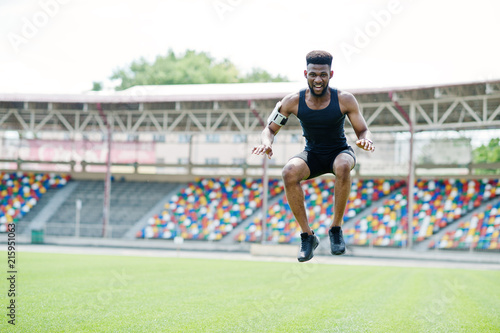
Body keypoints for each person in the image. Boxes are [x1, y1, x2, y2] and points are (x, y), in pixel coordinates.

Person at [252, 50, 375, 262]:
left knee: (344, 165)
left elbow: (363, 130)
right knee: (288, 172)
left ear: (331, 74)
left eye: (323, 75)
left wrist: (367, 140)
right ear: (305, 73)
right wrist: (266, 143)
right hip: (313, 155)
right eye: (313, 74)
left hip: (339, 152)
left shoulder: (345, 99)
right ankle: (307, 236)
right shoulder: (292, 101)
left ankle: (335, 229)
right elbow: (269, 129)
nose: (318, 79)